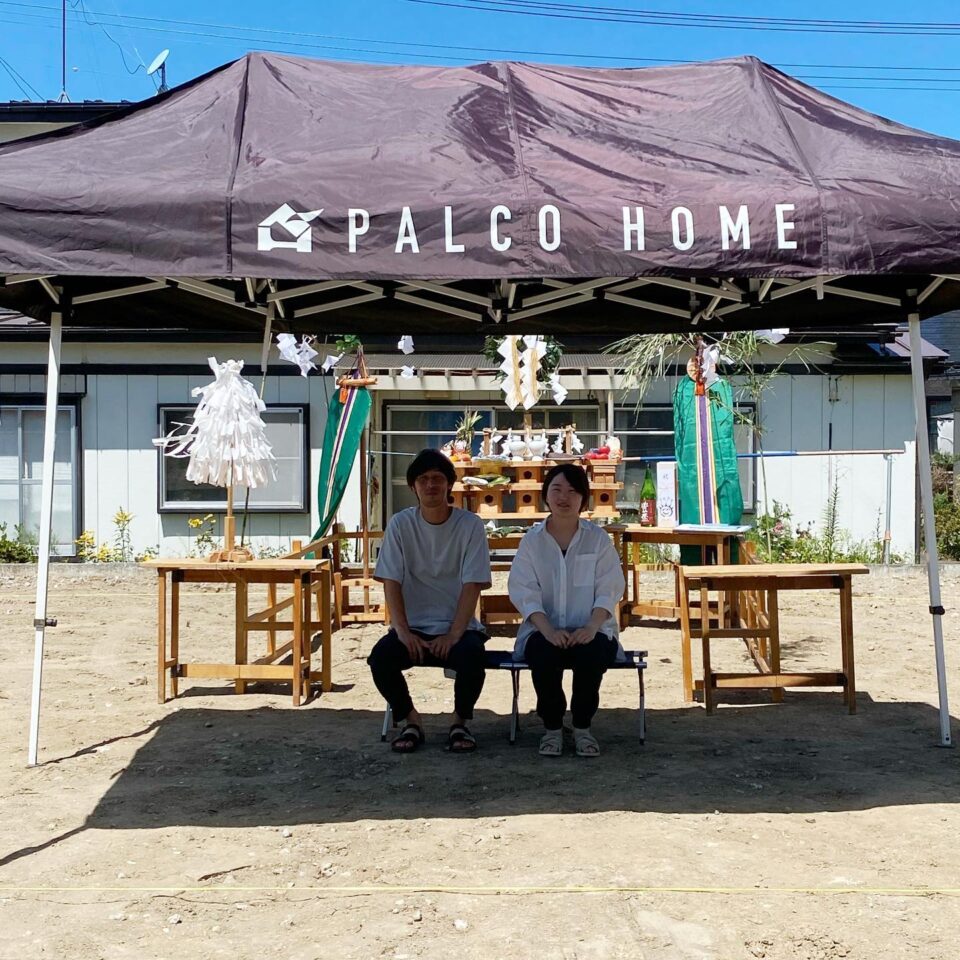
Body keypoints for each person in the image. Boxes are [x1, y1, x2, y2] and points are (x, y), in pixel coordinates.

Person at [368, 448, 492, 754]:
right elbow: (391, 581)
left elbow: (472, 583)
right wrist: (402, 631)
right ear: (413, 487)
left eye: (438, 478)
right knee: (380, 658)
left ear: (450, 484)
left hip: (458, 628)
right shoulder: (400, 524)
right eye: (423, 479)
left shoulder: (470, 525)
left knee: (473, 658)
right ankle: (411, 720)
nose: (430, 485)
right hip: (412, 628)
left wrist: (453, 634)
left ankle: (459, 722)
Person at [508, 463, 626, 757]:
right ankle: (552, 728)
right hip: (544, 629)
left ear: (583, 499)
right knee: (543, 654)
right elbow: (523, 589)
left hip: (592, 628)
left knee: (592, 653)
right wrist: (546, 629)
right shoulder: (532, 541)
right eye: (557, 489)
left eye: (573, 491)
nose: (564, 497)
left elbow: (609, 586)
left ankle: (583, 727)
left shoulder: (597, 539)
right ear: (546, 495)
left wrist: (591, 627)